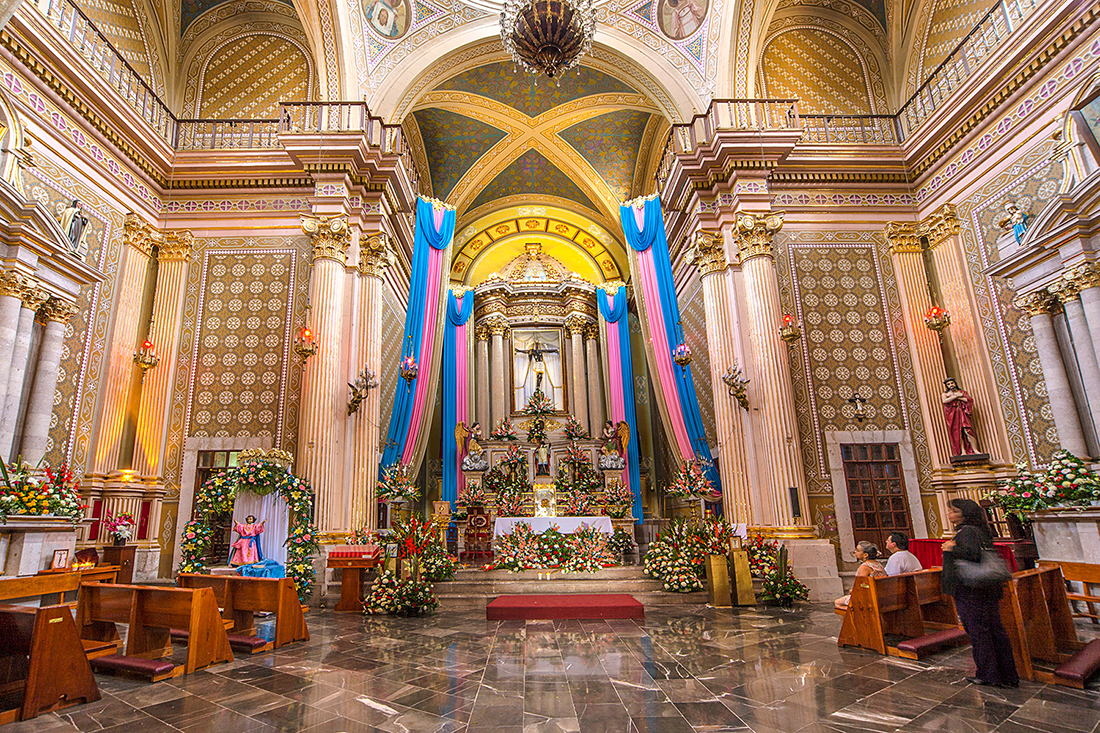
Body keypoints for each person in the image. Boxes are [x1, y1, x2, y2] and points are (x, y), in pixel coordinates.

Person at [942, 498, 1019, 688]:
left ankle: (989, 674)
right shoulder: (981, 530)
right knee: (993, 630)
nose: (949, 514)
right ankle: (1007, 674)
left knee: (979, 632)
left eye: (953, 511)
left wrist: (951, 548)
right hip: (984, 589)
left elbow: (972, 555)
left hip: (972, 589)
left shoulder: (966, 532)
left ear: (964, 514)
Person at [834, 540, 887, 610]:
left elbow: (861, 585)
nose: (855, 552)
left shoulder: (865, 567)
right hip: (880, 594)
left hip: (869, 597)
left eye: (858, 550)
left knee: (837, 603)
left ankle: (854, 619)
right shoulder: (878, 564)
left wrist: (853, 590)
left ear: (865, 555)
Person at [942, 378, 980, 456]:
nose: (951, 385)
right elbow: (945, 401)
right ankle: (963, 451)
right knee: (957, 433)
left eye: (952, 383)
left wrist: (956, 396)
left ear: (955, 383)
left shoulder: (962, 392)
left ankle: (975, 449)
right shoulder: (945, 394)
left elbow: (968, 400)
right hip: (953, 415)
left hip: (963, 414)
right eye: (948, 384)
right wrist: (956, 396)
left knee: (968, 431)